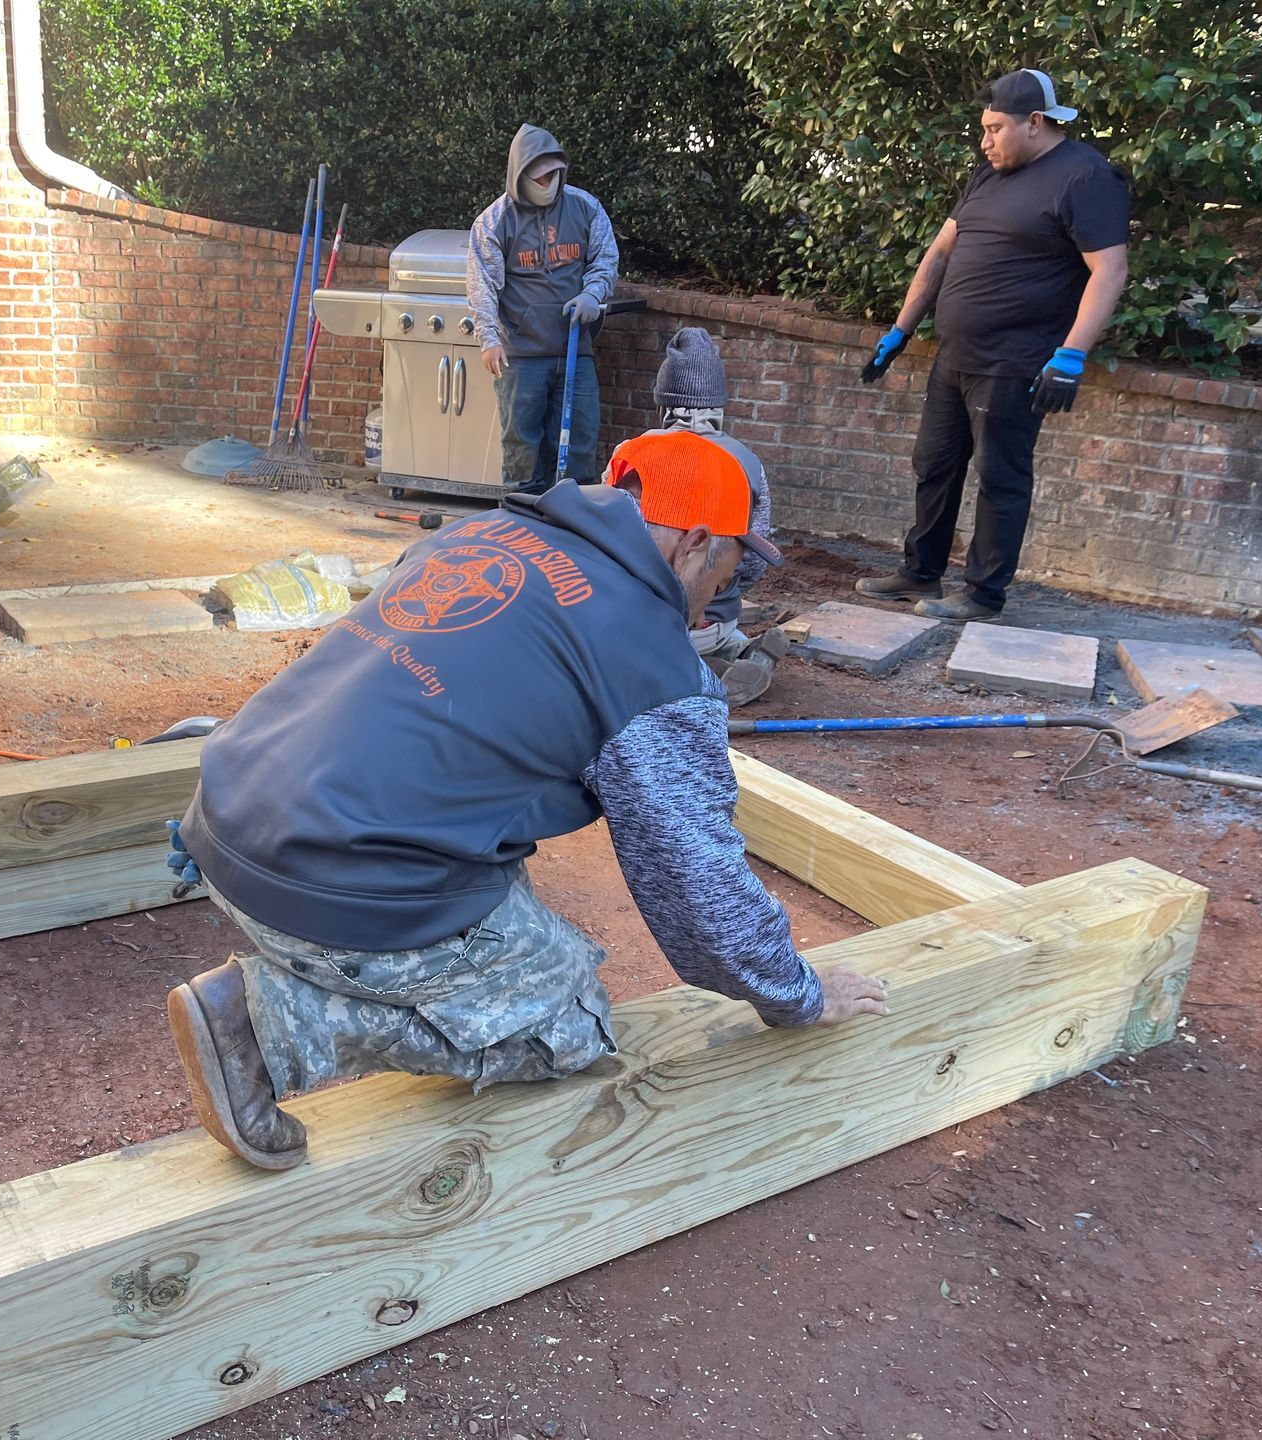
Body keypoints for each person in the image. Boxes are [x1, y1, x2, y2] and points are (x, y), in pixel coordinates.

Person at [163, 443, 890, 1170]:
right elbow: (696, 885)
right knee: (566, 1021)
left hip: (225, 815)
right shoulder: (650, 663)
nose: (719, 596)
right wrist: (794, 993)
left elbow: (373, 694)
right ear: (696, 541)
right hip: (330, 879)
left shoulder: (478, 536)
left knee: (497, 856)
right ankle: (273, 1026)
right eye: (729, 569)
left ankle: (340, 955)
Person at [855, 68, 1131, 621]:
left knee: (1001, 477)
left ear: (1034, 122)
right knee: (933, 463)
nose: (984, 141)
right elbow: (939, 254)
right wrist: (900, 329)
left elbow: (1110, 270)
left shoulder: (1084, 177)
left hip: (1016, 361)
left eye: (994, 128)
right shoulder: (989, 176)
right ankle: (921, 572)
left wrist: (1072, 353)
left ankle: (983, 593)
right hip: (955, 355)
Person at [606, 327, 788, 706]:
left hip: (630, 620)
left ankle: (686, 666)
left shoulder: (631, 453)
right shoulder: (745, 462)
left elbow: (604, 537)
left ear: (663, 405)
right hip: (712, 617)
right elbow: (752, 562)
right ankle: (726, 656)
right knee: (720, 631)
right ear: (719, 405)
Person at [466, 123, 620, 495]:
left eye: (554, 173)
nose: (548, 181)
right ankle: (524, 525)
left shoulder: (585, 208)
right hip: (521, 356)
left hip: (574, 348)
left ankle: (572, 526)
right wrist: (488, 339)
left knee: (579, 443)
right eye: (539, 176)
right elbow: (482, 284)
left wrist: (592, 294)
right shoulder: (494, 221)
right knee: (522, 448)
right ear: (520, 176)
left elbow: (605, 258)